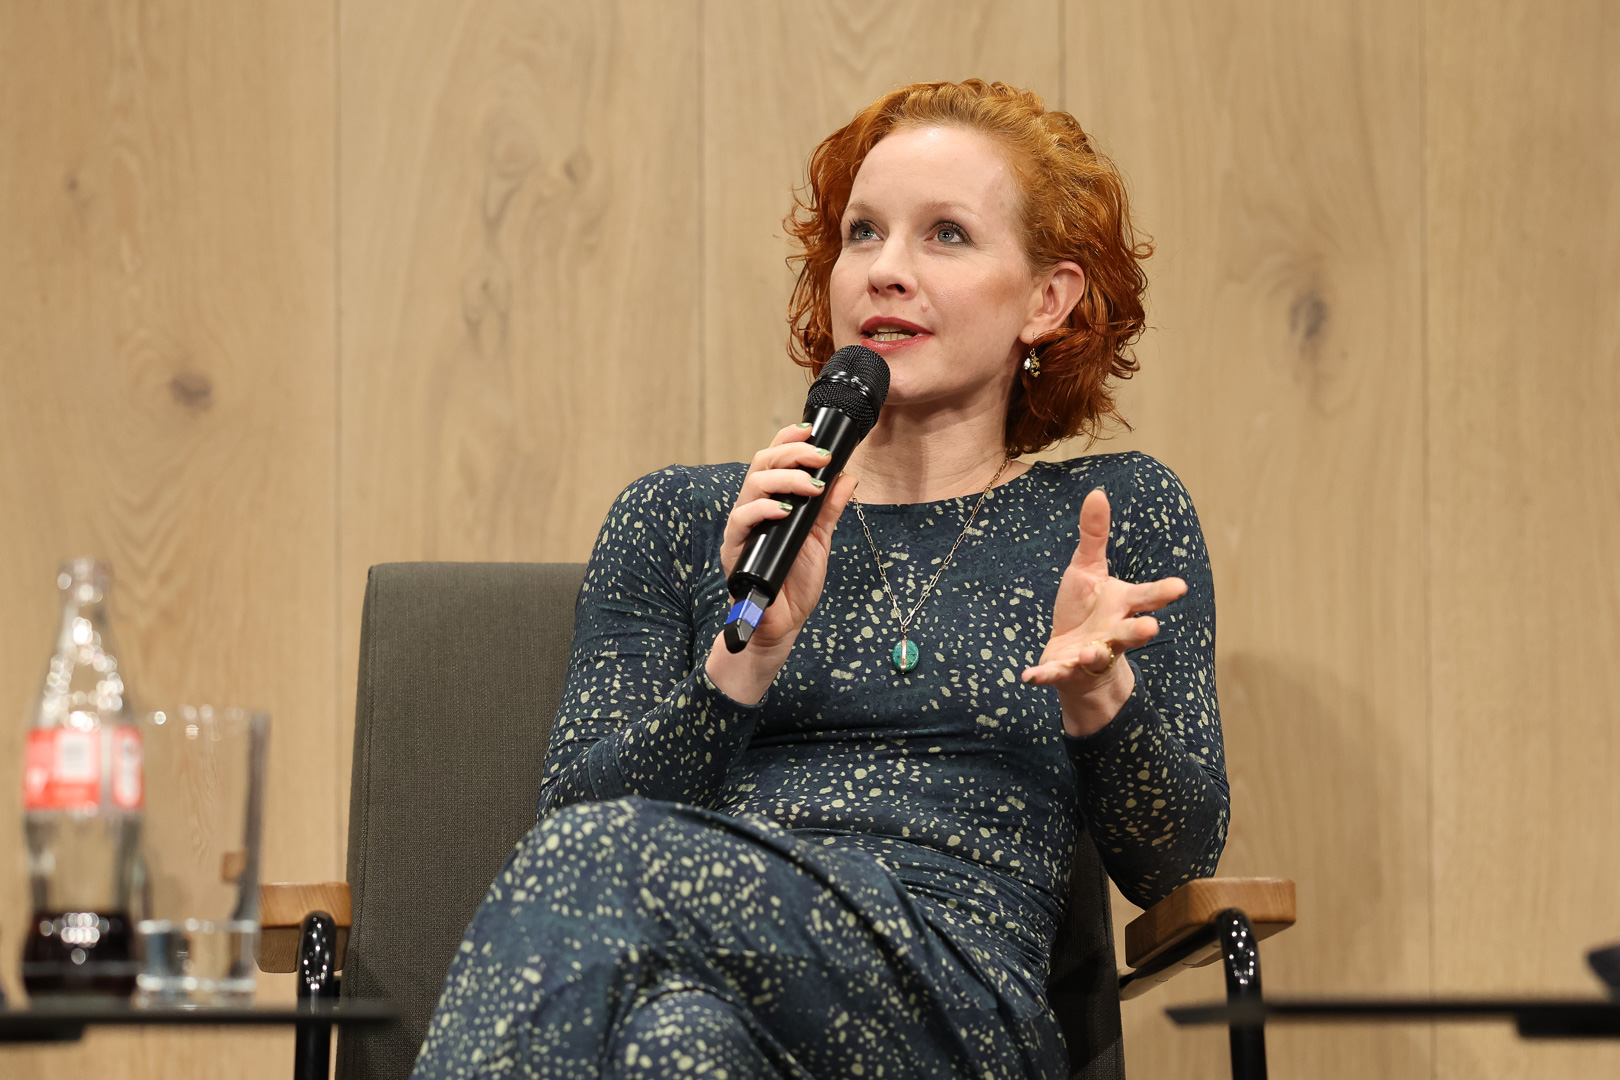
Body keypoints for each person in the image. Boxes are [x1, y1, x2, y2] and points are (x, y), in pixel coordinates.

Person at [412, 80, 1227, 1080]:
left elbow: (1176, 864)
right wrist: (745, 655)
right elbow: (574, 825)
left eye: (946, 236)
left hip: (960, 1013)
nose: (885, 271)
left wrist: (1100, 697)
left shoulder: (1109, 514)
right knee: (677, 1046)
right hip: (723, 994)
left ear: (1046, 300)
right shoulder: (682, 518)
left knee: (607, 882)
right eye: (862, 233)